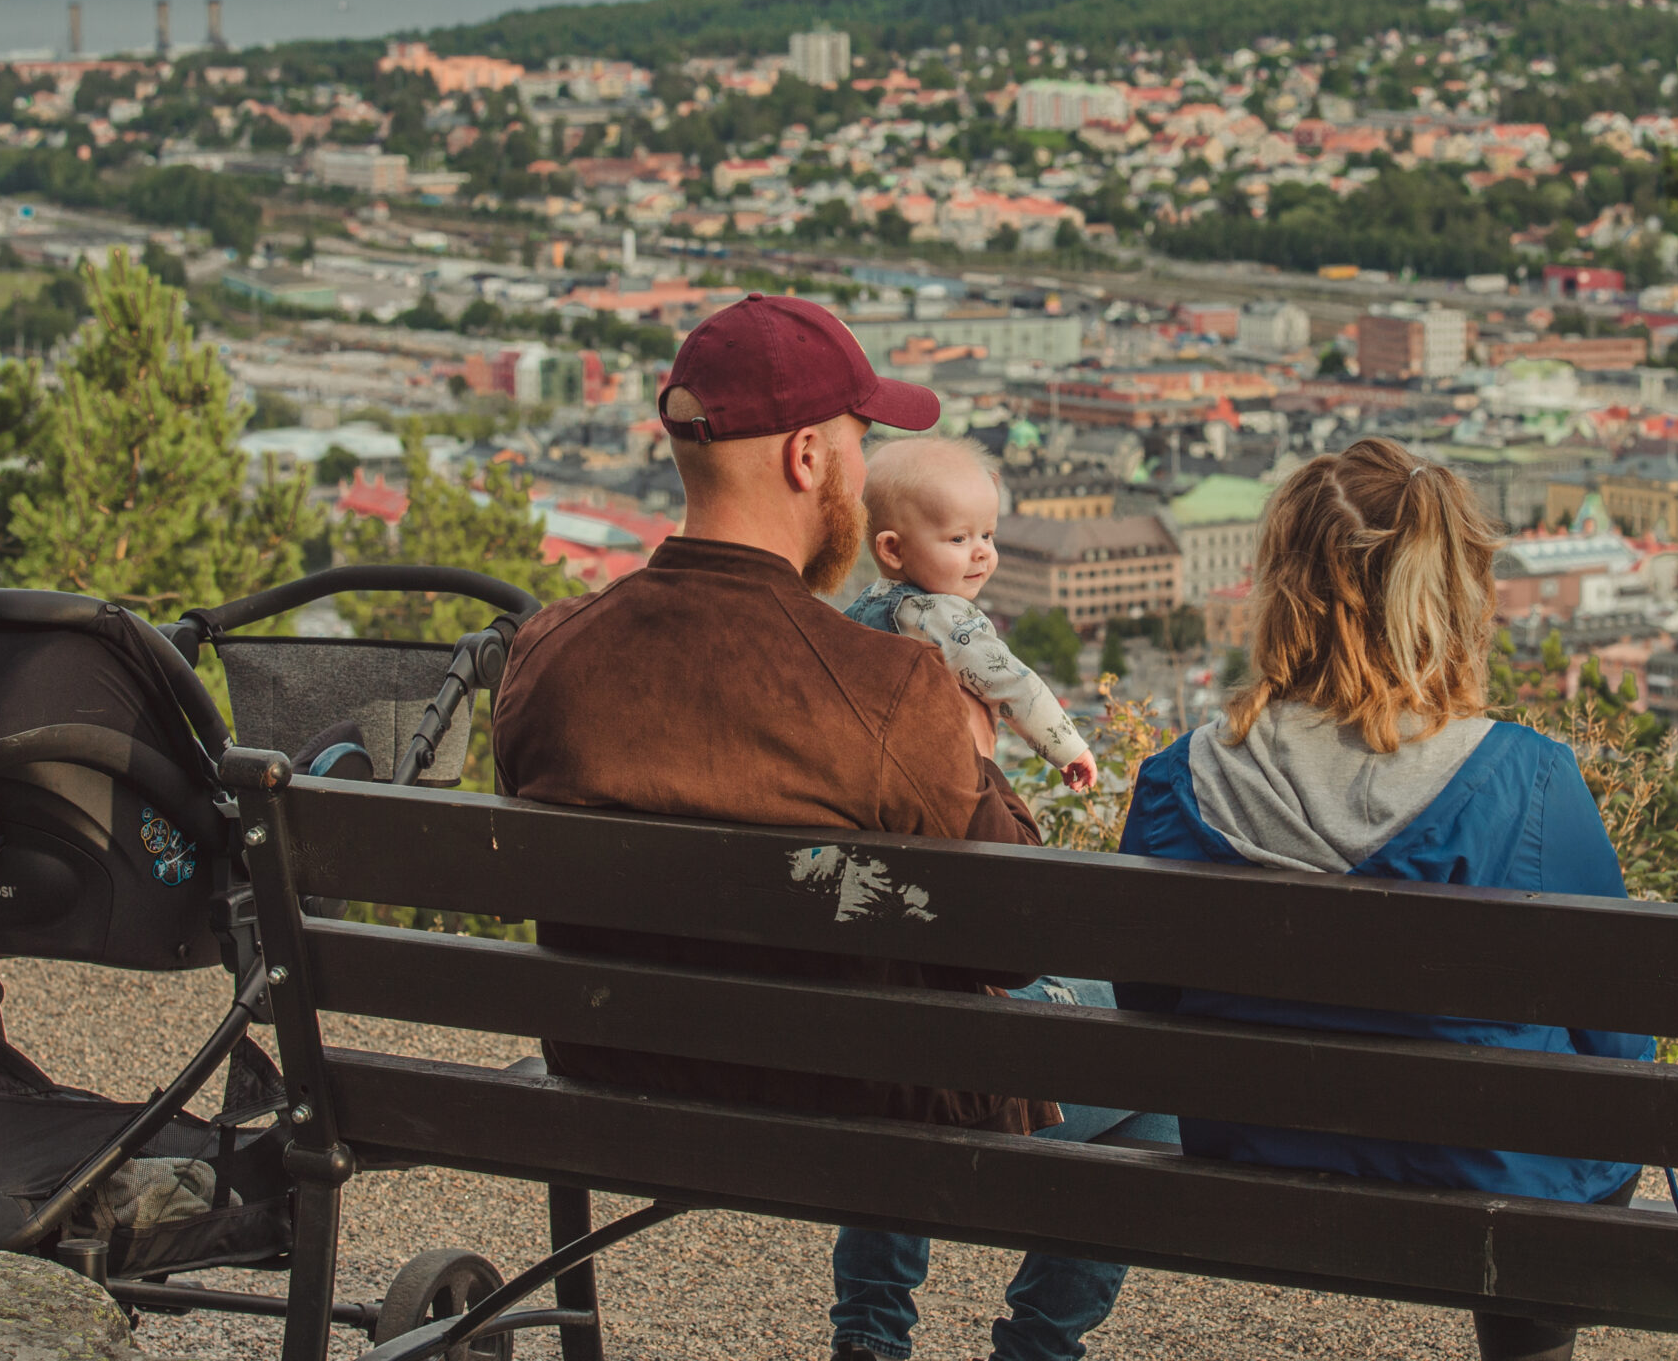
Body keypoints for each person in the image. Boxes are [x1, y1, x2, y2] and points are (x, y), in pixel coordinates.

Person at [489, 293, 1168, 1361]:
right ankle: (1036, 1350)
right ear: (809, 458)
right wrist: (978, 752)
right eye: (861, 441)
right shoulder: (884, 683)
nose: (861, 465)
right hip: (855, 1100)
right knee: (1161, 1076)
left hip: (618, 1080)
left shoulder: (550, 651)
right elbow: (1026, 935)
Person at [1115, 436, 1656, 1361]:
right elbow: (1617, 1033)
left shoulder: (1179, 781)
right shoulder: (1524, 778)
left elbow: (1146, 1002)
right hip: (1485, 1175)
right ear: (1449, 593)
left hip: (1253, 1155)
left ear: (1282, 586)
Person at [848, 434, 1098, 790]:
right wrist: (1069, 749)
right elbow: (1015, 685)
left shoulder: (861, 609)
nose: (981, 552)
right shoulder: (944, 620)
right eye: (958, 539)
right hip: (936, 783)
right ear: (893, 549)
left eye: (987, 535)